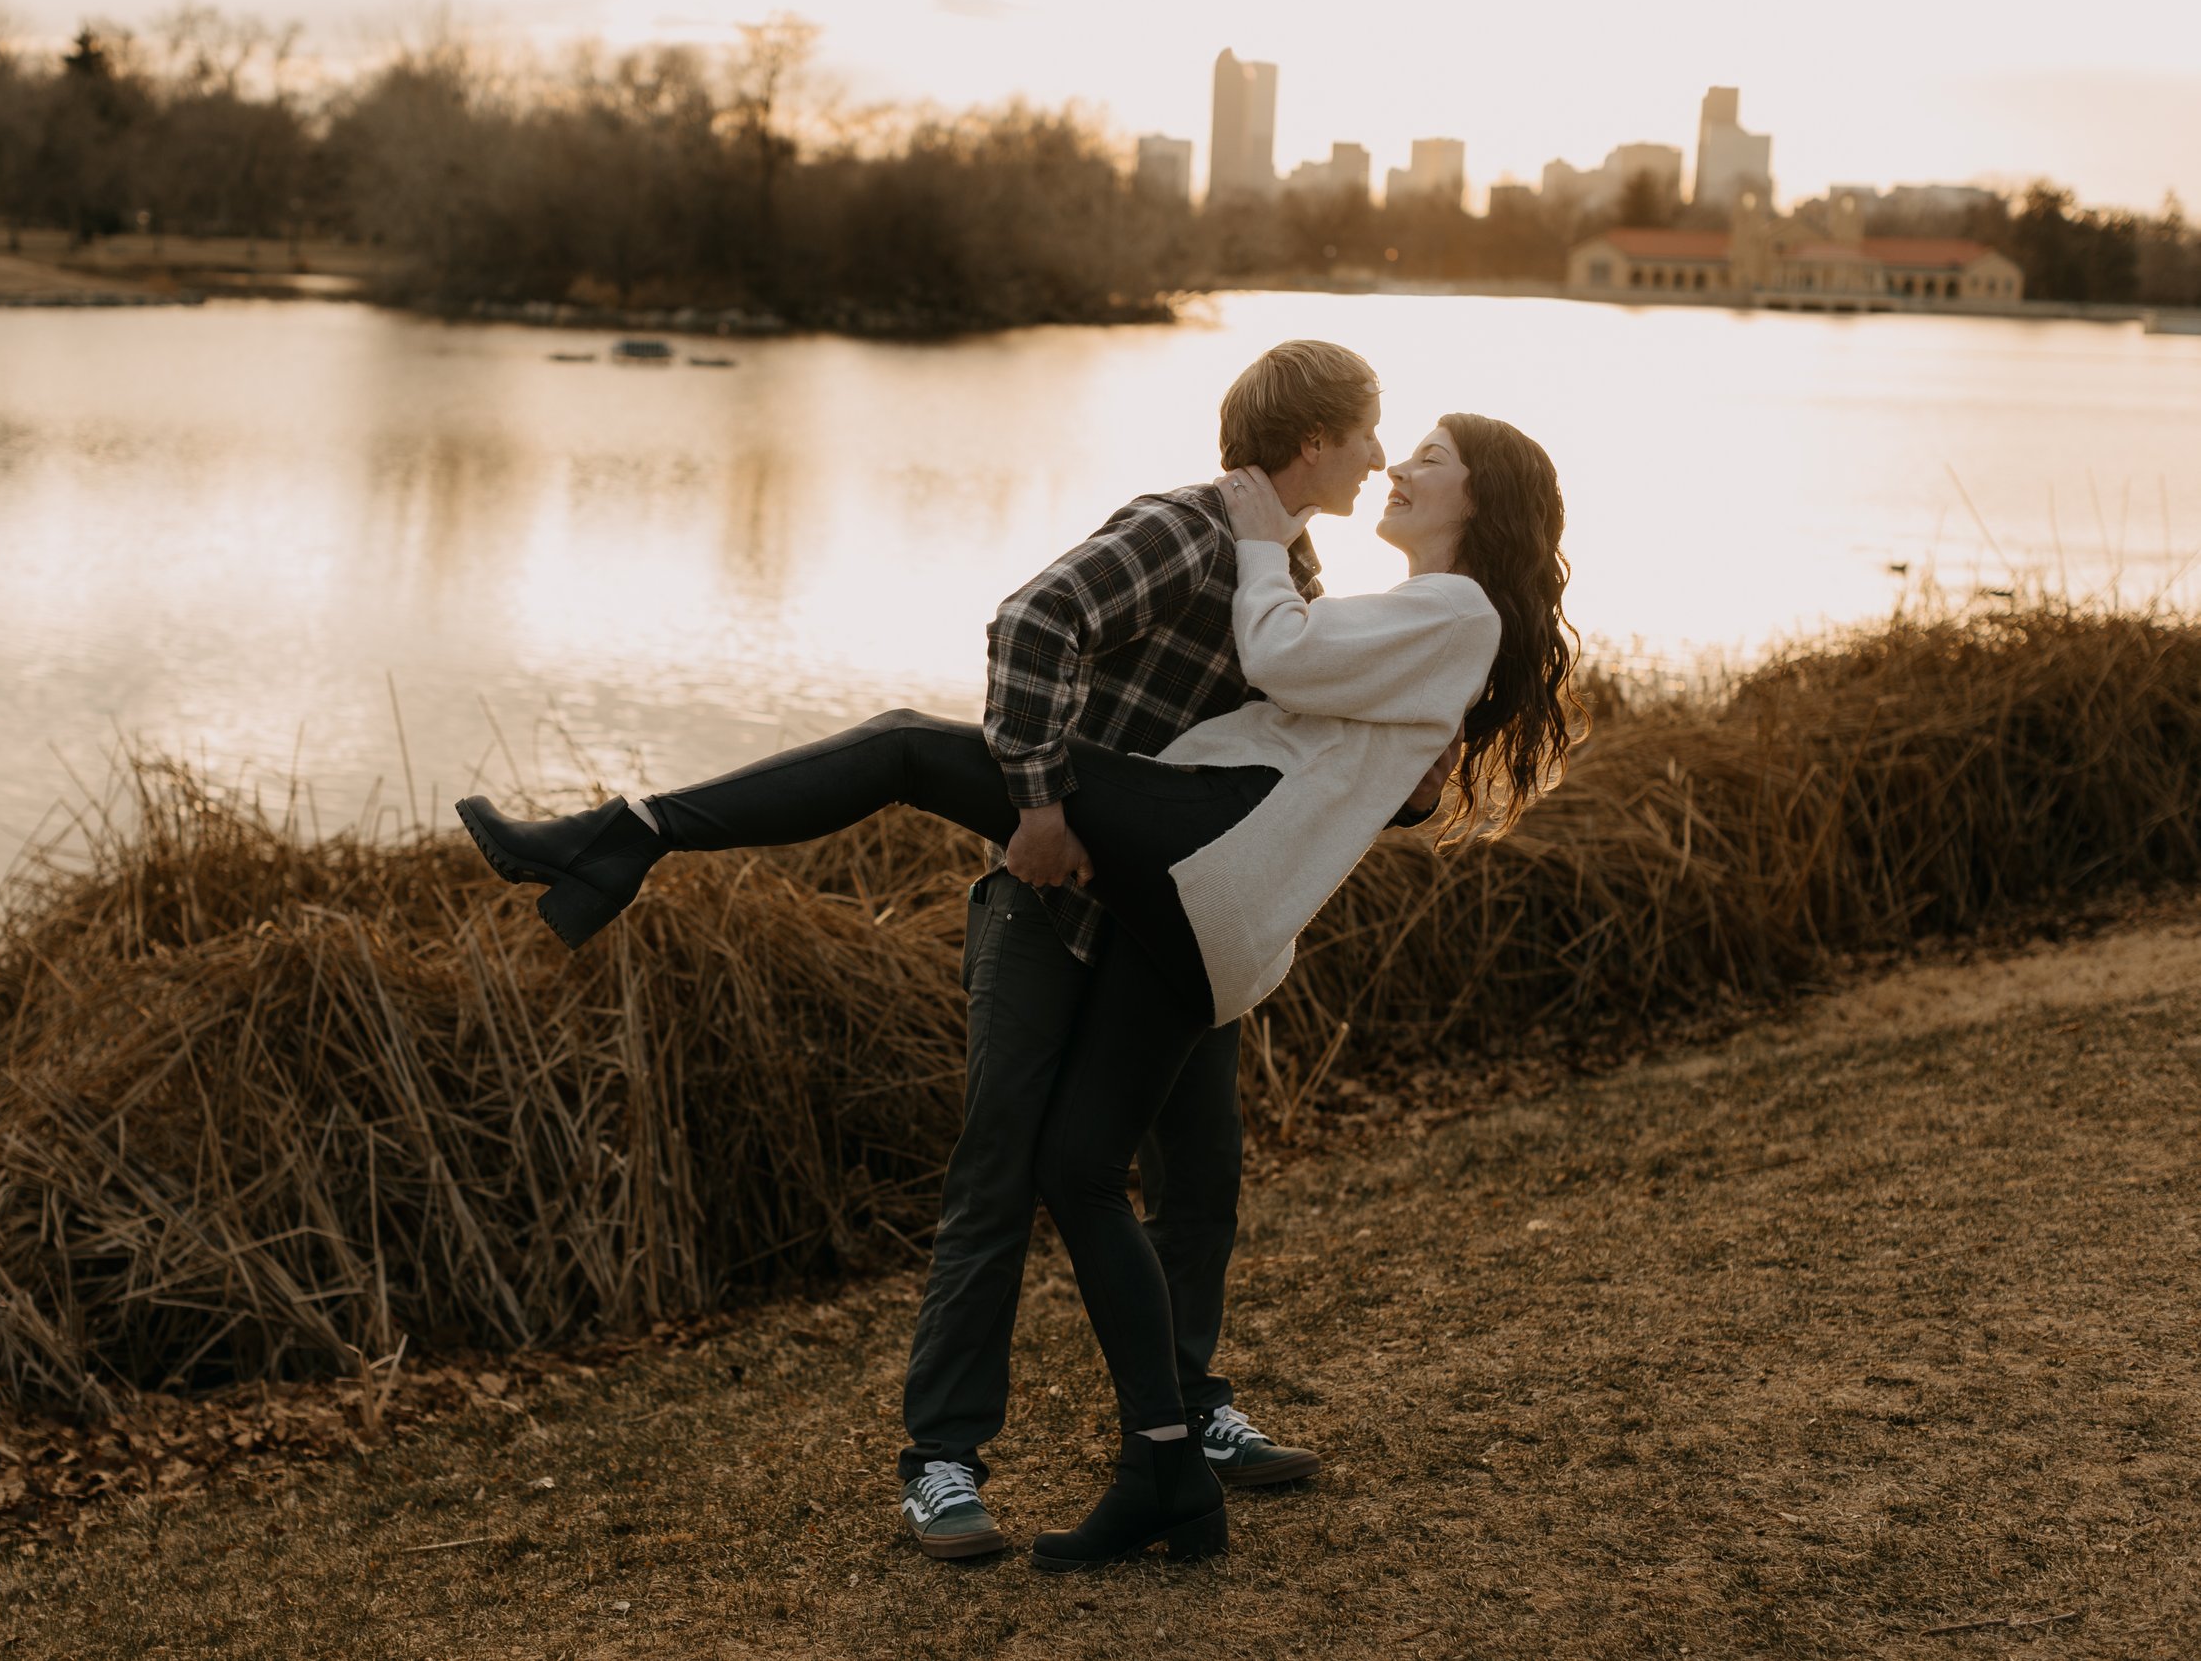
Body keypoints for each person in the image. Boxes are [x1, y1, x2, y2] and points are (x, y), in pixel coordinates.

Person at [458, 407, 1582, 1571]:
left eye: (1427, 458)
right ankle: (1166, 1469)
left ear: (1482, 499)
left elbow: (1280, 661)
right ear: (1308, 441)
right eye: (1384, 442)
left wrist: (1243, 563)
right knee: (1073, 1168)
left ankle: (624, 834)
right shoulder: (1399, 606)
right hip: (1207, 898)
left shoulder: (1441, 605)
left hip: (1192, 852)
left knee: (904, 747)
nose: (1394, 464)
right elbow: (1338, 739)